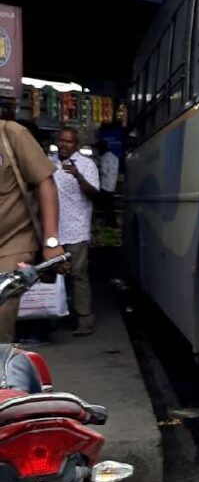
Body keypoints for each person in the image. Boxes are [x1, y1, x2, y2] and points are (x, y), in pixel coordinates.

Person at [0, 120, 62, 342]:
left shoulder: (12, 134)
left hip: (12, 242)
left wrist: (51, 242)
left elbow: (45, 182)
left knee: (2, 308)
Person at [52, 129, 99, 337]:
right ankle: (54, 316)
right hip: (53, 228)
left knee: (78, 274)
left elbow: (94, 193)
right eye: (62, 140)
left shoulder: (87, 165)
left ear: (76, 144)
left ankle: (84, 319)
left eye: (69, 142)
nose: (65, 145)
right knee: (52, 274)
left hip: (76, 228)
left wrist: (78, 176)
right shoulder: (48, 163)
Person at [94, 139, 119, 228]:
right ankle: (112, 223)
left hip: (105, 185)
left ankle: (110, 224)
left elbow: (103, 171)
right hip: (112, 184)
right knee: (110, 206)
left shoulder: (105, 157)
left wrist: (97, 166)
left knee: (107, 206)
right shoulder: (114, 157)